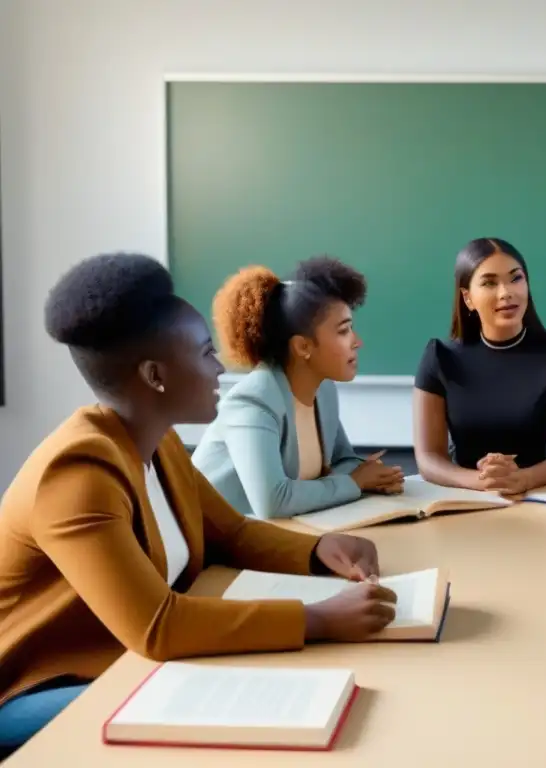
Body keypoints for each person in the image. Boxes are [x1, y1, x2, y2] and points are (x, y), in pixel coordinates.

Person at [0, 254, 399, 754]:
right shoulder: (77, 475)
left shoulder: (158, 442)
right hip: (41, 687)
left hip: (130, 660)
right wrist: (318, 618)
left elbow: (231, 532)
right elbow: (158, 627)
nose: (219, 367)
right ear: (155, 375)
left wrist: (319, 551)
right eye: (207, 352)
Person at [191, 257, 403, 520]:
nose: (357, 342)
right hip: (208, 541)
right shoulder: (251, 402)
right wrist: (356, 483)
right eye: (343, 331)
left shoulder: (324, 391)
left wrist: (374, 476)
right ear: (303, 347)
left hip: (275, 534)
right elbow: (273, 502)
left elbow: (342, 460)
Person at [413, 238, 546, 494]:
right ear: (468, 298)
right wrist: (482, 481)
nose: (506, 292)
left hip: (539, 495)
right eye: (489, 282)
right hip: (463, 496)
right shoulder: (439, 357)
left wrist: (522, 479)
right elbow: (428, 458)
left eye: (515, 278)